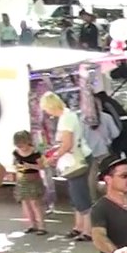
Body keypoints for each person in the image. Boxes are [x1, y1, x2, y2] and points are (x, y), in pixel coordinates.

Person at [39, 93, 94, 241]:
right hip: (77, 158)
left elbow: (67, 144)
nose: (46, 112)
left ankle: (87, 230)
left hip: (76, 160)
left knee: (80, 195)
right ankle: (79, 227)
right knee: (75, 194)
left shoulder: (66, 118)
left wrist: (53, 157)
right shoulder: (68, 116)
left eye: (45, 108)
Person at [12, 131, 46, 235]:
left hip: (34, 179)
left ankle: (41, 226)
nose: (22, 148)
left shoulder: (35, 153)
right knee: (25, 203)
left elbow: (42, 166)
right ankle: (32, 225)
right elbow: (14, 163)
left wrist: (30, 166)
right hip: (22, 179)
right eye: (19, 146)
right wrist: (17, 167)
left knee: (35, 203)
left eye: (23, 145)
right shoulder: (15, 153)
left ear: (28, 142)